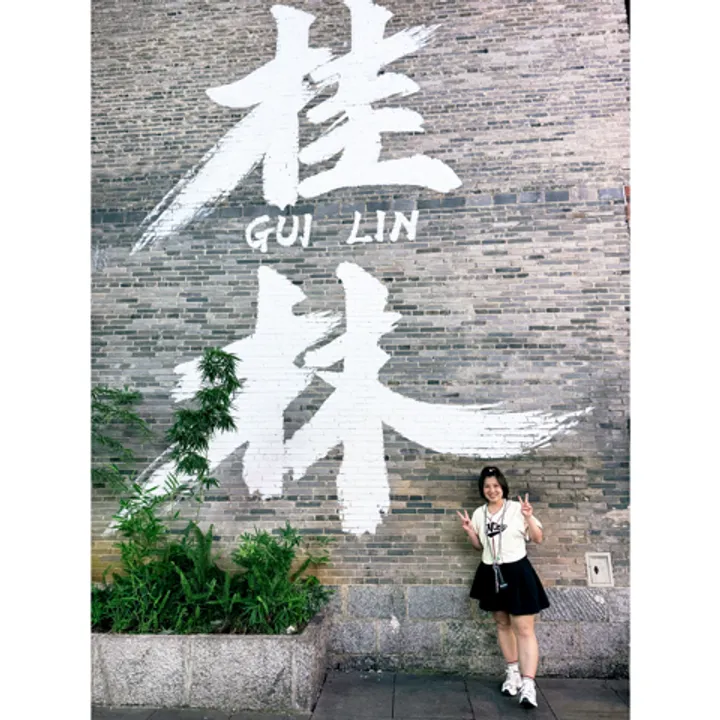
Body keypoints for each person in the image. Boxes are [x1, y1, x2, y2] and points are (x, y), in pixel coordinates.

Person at [457, 465, 550, 709]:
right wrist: (470, 532)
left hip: (517, 572)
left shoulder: (518, 508)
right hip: (491, 572)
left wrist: (528, 516)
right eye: (487, 486)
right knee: (502, 623)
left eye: (496, 486)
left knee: (524, 628)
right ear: (482, 489)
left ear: (503, 487)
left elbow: (538, 538)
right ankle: (513, 674)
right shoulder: (479, 513)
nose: (492, 490)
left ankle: (528, 685)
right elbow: (479, 546)